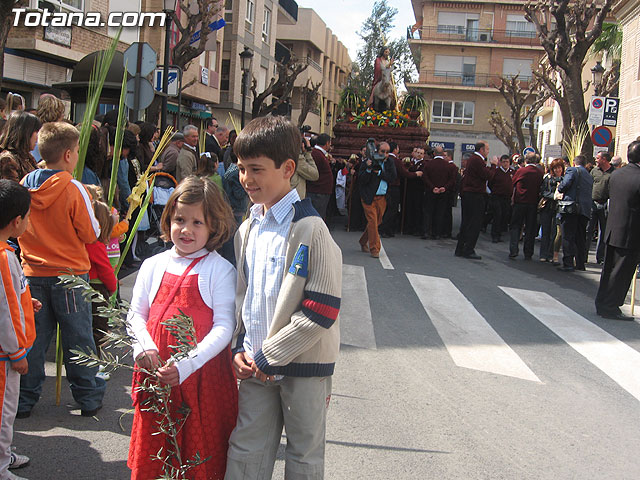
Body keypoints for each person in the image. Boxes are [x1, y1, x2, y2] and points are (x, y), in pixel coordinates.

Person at [225, 116, 342, 479]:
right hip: (255, 364)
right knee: (246, 447)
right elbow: (242, 298)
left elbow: (321, 310)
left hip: (303, 368)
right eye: (242, 168)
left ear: (288, 168)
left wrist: (268, 355)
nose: (246, 179)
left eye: (256, 169)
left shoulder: (311, 229)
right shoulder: (246, 228)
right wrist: (238, 348)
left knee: (303, 455)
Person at [127, 176, 238, 479]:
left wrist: (189, 363)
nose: (186, 230)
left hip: (201, 378)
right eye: (179, 220)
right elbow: (135, 314)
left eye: (197, 222)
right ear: (168, 219)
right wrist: (143, 346)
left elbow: (224, 326)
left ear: (213, 226)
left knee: (197, 452)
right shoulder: (152, 265)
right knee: (156, 450)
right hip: (157, 375)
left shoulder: (219, 269)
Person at [17, 122, 105, 418]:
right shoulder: (73, 188)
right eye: (78, 150)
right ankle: (88, 397)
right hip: (69, 276)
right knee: (78, 338)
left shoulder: (25, 184)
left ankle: (23, 401)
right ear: (68, 154)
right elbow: (91, 233)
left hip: (32, 273)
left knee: (34, 341)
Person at [0, 180, 38, 480]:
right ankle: (1, 465)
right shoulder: (5, 258)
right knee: (3, 412)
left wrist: (27, 299)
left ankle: (4, 454)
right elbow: (5, 310)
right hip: (5, 354)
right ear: (16, 221)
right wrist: (17, 352)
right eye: (28, 216)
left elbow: (11, 297)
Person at [595, 141, 640, 320]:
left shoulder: (617, 174)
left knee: (608, 270)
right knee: (621, 273)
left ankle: (602, 302)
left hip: (613, 228)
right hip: (630, 233)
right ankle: (611, 306)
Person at [455, 141, 498, 259]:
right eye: (487, 149)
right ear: (482, 150)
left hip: (469, 194)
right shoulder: (477, 160)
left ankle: (461, 248)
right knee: (474, 223)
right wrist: (494, 166)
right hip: (475, 194)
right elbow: (487, 175)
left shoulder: (473, 160)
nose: (488, 152)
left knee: (467, 222)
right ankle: (468, 249)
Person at [358, 141, 397, 258]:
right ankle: (375, 248)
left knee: (376, 222)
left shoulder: (390, 162)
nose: (385, 155)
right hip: (369, 197)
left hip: (382, 198)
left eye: (387, 152)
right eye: (382, 152)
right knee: (373, 222)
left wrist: (379, 172)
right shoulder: (367, 162)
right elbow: (361, 179)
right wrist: (369, 169)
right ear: (376, 151)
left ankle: (363, 241)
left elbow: (392, 177)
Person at [556, 155, 593, 272]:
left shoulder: (572, 170)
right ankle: (580, 263)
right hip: (584, 209)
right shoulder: (588, 174)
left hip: (571, 208)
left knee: (568, 235)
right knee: (580, 237)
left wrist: (560, 187)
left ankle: (568, 263)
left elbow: (565, 184)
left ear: (573, 162)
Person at [508, 152, 543, 260]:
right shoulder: (539, 172)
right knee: (530, 228)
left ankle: (513, 250)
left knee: (515, 226)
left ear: (525, 161)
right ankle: (528, 252)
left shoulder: (521, 171)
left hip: (520, 202)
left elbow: (512, 183)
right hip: (533, 203)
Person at [586, 151, 615, 264]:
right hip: (593, 203)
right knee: (588, 230)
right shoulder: (594, 171)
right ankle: (583, 256)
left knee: (603, 232)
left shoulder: (614, 173)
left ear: (604, 159)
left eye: (598, 158)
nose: (596, 160)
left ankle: (601, 257)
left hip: (605, 204)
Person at [422, 146, 454, 239]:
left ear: (434, 154)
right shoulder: (447, 165)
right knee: (440, 212)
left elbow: (425, 177)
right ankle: (437, 233)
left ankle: (426, 232)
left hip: (430, 191)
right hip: (443, 192)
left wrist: (433, 187)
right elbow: (452, 179)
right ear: (442, 154)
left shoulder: (428, 164)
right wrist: (444, 187)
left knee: (428, 212)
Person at [0, 112, 41, 183]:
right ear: (26, 133)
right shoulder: (7, 160)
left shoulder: (27, 157)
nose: (38, 137)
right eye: (36, 132)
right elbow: (13, 190)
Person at [539, 158, 564, 262]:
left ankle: (551, 254)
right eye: (555, 168)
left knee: (555, 233)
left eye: (559, 168)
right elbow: (543, 192)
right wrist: (554, 196)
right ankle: (543, 254)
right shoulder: (547, 179)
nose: (558, 170)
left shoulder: (565, 179)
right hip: (547, 207)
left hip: (558, 209)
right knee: (546, 231)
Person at [306, 133, 333, 220]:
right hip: (318, 192)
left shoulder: (319, 154)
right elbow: (313, 172)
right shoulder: (316, 154)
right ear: (327, 143)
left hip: (321, 191)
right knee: (317, 217)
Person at [487, 155, 512, 243]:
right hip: (497, 197)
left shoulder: (512, 172)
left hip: (507, 197)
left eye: (507, 162)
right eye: (504, 162)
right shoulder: (496, 172)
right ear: (500, 162)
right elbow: (490, 183)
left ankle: (500, 233)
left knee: (504, 216)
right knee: (497, 215)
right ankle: (495, 235)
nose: (505, 164)